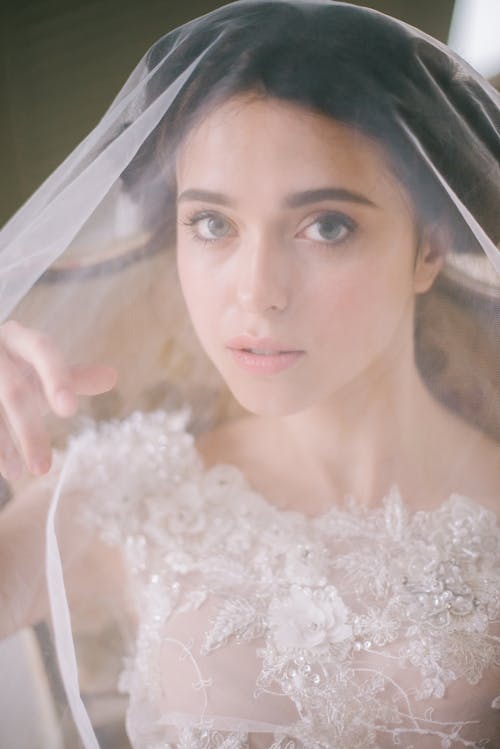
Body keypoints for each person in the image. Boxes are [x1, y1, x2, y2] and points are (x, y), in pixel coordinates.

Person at [0, 0, 499, 746]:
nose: (257, 290)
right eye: (213, 224)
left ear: (428, 248)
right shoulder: (128, 490)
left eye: (327, 225)